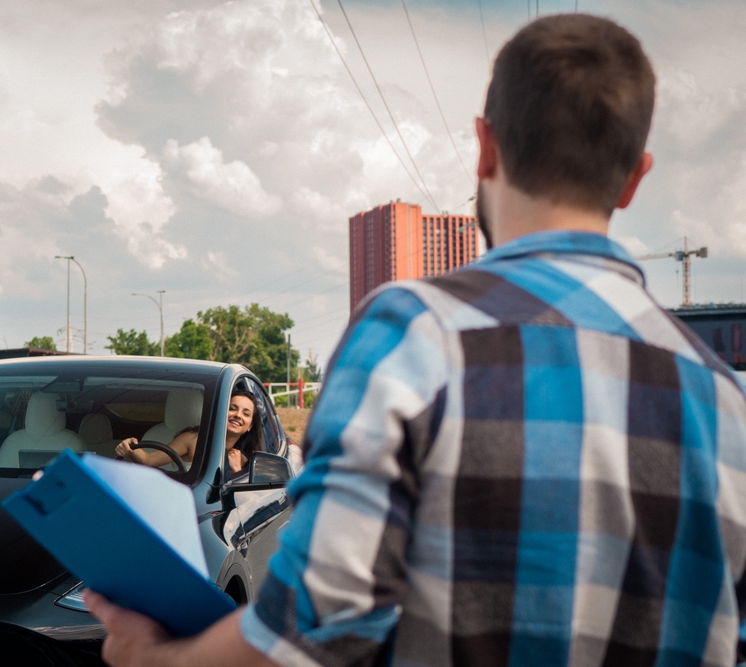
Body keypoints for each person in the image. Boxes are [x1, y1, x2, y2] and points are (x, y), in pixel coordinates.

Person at [86, 14, 746, 667]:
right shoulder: (721, 396)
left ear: (485, 147)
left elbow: (316, 624)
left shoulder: (413, 335)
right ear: (635, 178)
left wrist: (158, 658)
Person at [115, 391, 261, 475]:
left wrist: (236, 470)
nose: (238, 415)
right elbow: (148, 460)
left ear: (250, 426)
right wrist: (130, 447)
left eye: (246, 414)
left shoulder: (247, 458)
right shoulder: (194, 439)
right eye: (232, 408)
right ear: (220, 411)